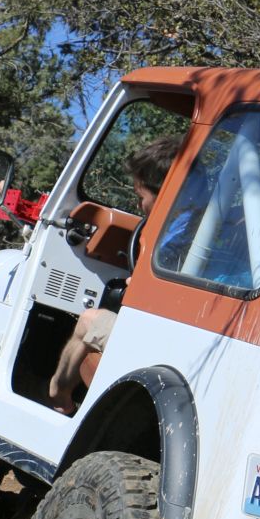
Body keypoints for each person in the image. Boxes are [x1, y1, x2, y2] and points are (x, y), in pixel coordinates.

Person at [47, 135, 183, 412]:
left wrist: (135, 284)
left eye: (140, 197)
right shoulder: (193, 221)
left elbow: (151, 288)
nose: (139, 206)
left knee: (88, 320)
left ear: (164, 193)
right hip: (175, 333)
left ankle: (59, 396)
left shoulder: (176, 236)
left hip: (165, 340)